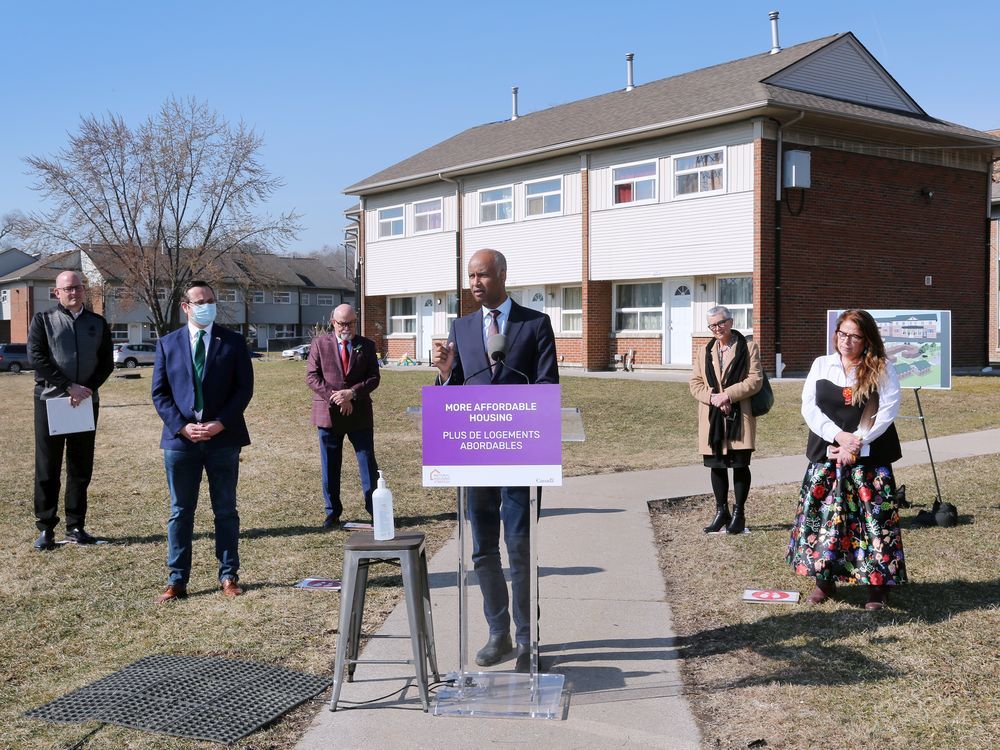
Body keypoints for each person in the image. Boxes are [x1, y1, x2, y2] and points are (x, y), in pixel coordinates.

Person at [432, 248, 558, 673]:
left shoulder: (534, 324)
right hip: (474, 457)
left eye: (482, 275)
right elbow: (454, 394)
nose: (474, 283)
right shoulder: (461, 326)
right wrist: (446, 374)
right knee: (484, 549)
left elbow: (545, 387)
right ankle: (497, 633)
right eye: (470, 276)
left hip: (521, 453)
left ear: (503, 275)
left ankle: (526, 640)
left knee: (519, 547)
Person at [786, 309, 905, 611]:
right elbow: (809, 407)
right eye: (842, 334)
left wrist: (856, 443)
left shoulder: (882, 367)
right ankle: (824, 581)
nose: (846, 341)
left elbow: (886, 410)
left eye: (854, 335)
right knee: (827, 521)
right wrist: (838, 436)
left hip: (869, 458)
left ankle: (877, 587)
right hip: (827, 454)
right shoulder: (821, 364)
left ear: (867, 340)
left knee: (873, 523)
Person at [151, 280, 254, 603]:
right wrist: (182, 427)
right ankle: (177, 580)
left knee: (225, 510)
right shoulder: (167, 344)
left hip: (223, 440)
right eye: (199, 301)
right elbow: (160, 393)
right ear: (186, 307)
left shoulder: (233, 342)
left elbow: (243, 389)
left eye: (210, 300)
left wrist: (220, 423)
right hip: (180, 443)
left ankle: (228, 575)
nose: (206, 305)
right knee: (181, 511)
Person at [27, 271, 114, 550]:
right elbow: (37, 358)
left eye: (78, 287)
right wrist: (68, 387)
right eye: (68, 289)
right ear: (57, 293)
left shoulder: (97, 323)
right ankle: (46, 528)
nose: (74, 292)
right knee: (48, 467)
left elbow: (106, 363)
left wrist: (85, 389)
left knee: (80, 467)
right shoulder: (43, 320)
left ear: (84, 290)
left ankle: (76, 526)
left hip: (85, 403)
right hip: (50, 401)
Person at [689, 305, 763, 534]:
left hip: (738, 415)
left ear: (731, 321)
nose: (717, 329)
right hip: (713, 419)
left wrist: (727, 395)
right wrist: (713, 398)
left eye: (721, 323)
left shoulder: (748, 347)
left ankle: (739, 514)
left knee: (740, 465)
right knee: (717, 466)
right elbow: (695, 383)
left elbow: (755, 380)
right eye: (712, 325)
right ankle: (721, 512)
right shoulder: (704, 351)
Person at [306, 304, 380, 528]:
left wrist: (352, 393)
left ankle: (375, 509)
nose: (346, 327)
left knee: (367, 462)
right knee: (330, 464)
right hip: (328, 414)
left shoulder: (367, 345)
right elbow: (311, 376)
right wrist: (336, 397)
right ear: (333, 322)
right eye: (342, 323)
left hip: (359, 414)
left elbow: (374, 378)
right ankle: (332, 512)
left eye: (351, 323)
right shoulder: (320, 344)